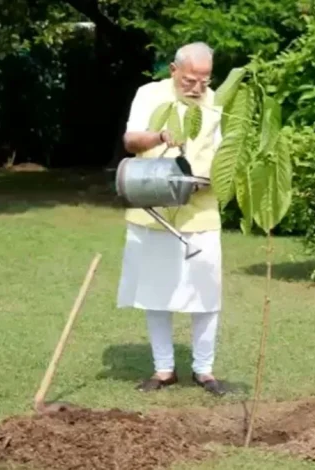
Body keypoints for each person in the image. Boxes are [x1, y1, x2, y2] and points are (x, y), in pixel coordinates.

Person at [117, 42, 227, 397]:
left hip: (201, 209)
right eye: (190, 80)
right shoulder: (150, 94)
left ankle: (204, 370)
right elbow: (131, 140)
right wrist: (160, 136)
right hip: (153, 208)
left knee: (206, 293)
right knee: (155, 292)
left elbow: (223, 152)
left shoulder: (217, 102)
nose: (197, 88)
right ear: (174, 70)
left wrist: (209, 179)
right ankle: (163, 369)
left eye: (204, 81)